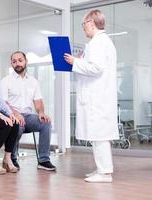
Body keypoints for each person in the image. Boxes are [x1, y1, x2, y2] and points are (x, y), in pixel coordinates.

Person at [64, 9, 119, 183]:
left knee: (99, 136)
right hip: (98, 96)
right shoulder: (101, 42)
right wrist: (80, 61)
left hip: (97, 98)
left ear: (91, 23)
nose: (83, 28)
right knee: (98, 136)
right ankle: (102, 169)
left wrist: (75, 62)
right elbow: (94, 66)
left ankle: (104, 173)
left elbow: (96, 68)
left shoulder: (98, 42)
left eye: (84, 24)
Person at [1, 51, 56, 171]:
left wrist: (41, 112)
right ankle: (12, 158)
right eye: (14, 61)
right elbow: (3, 103)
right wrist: (16, 114)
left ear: (26, 62)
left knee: (46, 123)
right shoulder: (6, 81)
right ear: (11, 64)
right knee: (18, 126)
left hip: (28, 116)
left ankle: (44, 160)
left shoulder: (33, 81)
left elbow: (38, 101)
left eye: (20, 60)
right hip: (12, 115)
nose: (17, 63)